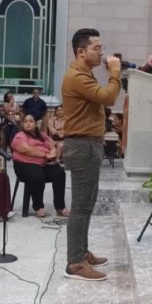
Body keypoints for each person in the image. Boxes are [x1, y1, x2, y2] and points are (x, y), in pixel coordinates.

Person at [62, 27, 121, 281]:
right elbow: (107, 98)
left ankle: (82, 253)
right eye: (97, 49)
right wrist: (115, 75)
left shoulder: (85, 73)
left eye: (101, 48)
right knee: (80, 206)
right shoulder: (77, 76)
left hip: (88, 144)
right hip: (82, 146)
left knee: (86, 204)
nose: (101, 53)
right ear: (80, 51)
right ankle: (75, 263)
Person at [11, 114, 69, 218]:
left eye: (31, 121)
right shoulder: (19, 136)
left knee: (59, 173)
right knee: (38, 176)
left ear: (35, 124)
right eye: (26, 121)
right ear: (22, 124)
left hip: (43, 164)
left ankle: (60, 206)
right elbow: (26, 149)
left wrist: (54, 154)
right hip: (24, 165)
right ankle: (38, 206)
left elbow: (52, 147)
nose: (28, 123)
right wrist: (45, 155)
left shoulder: (43, 135)